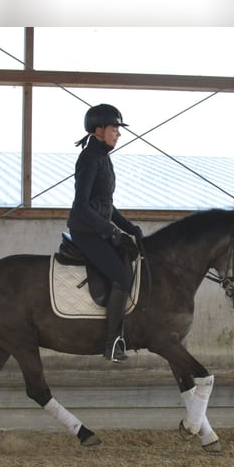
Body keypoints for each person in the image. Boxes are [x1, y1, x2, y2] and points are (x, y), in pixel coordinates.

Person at [68, 104, 143, 362]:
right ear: (99, 130)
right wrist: (113, 232)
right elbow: (82, 206)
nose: (118, 134)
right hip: (86, 231)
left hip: (98, 228)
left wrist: (129, 228)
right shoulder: (90, 159)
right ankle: (111, 343)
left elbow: (105, 204)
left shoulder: (104, 158)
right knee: (122, 276)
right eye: (114, 129)